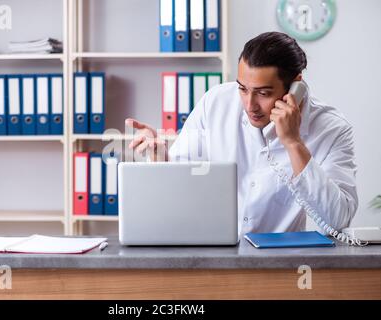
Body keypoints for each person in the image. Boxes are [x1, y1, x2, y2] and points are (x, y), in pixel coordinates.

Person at [125, 32, 358, 237]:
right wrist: (160, 156)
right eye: (242, 89)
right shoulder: (215, 102)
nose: (250, 105)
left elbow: (336, 223)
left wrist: (293, 142)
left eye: (263, 93)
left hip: (282, 262)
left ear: (296, 86)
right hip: (213, 253)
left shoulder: (332, 129)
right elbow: (178, 186)